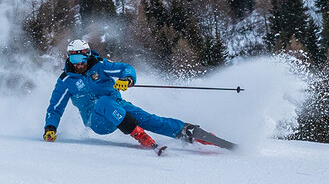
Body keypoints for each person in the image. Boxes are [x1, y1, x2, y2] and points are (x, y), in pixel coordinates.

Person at [43, 39, 232, 152]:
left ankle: (189, 132)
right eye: (74, 59)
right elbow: (55, 107)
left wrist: (127, 79)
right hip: (97, 120)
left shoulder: (101, 66)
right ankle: (139, 135)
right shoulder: (66, 80)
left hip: (118, 107)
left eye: (82, 59)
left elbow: (126, 68)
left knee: (151, 119)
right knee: (103, 102)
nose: (79, 64)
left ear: (87, 55)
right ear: (69, 58)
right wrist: (50, 128)